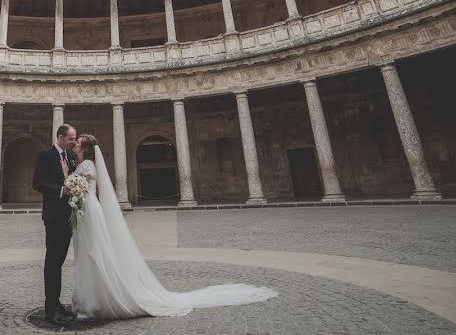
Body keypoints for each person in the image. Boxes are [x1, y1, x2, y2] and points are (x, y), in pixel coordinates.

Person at [70, 133, 278, 320]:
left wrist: (68, 181)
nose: (75, 144)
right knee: (89, 251)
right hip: (86, 210)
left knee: (95, 250)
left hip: (89, 210)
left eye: (77, 142)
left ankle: (98, 297)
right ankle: (91, 297)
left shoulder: (87, 164)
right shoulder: (85, 163)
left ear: (85, 148)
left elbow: (81, 182)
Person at [31, 123, 78, 325]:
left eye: (74, 139)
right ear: (60, 137)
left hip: (68, 215)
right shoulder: (46, 155)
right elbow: (37, 183)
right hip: (53, 215)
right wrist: (61, 190)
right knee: (52, 262)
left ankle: (56, 303)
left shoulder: (71, 157)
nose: (74, 142)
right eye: (71, 139)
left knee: (59, 261)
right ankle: (50, 308)